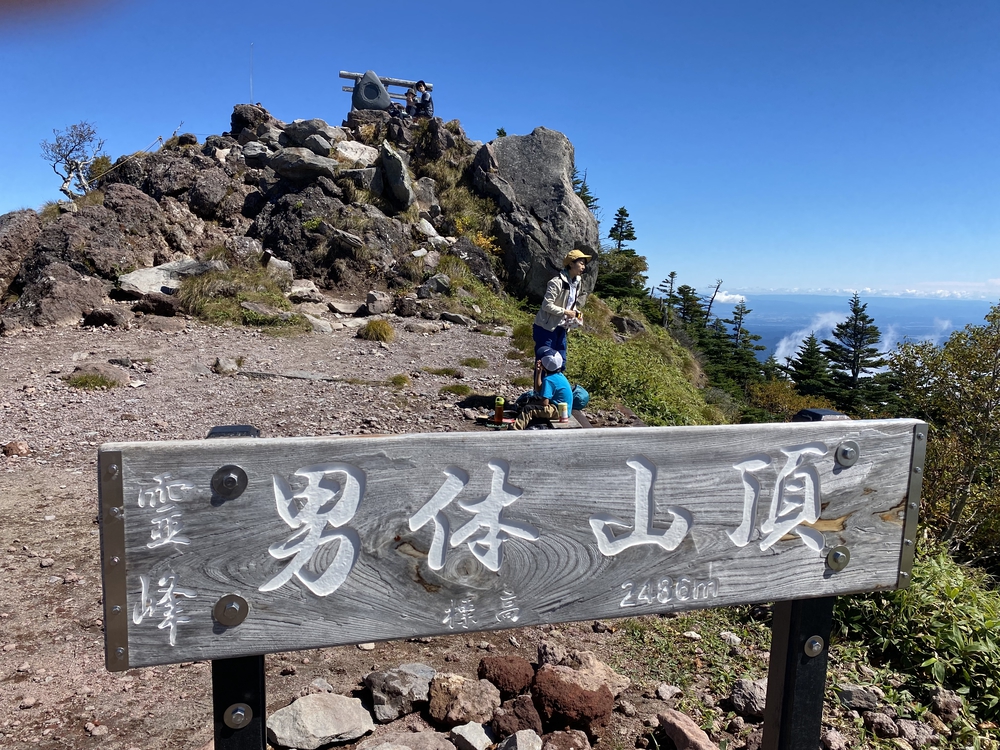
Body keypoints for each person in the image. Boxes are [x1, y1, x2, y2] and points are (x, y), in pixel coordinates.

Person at [532, 249, 591, 370]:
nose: (583, 266)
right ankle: (540, 389)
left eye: (584, 264)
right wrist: (565, 312)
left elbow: (570, 304)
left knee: (561, 363)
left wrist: (575, 312)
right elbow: (546, 305)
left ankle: (555, 389)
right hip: (546, 328)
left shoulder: (577, 283)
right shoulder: (556, 282)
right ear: (571, 264)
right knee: (545, 363)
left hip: (562, 327)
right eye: (581, 263)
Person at [513, 347, 572, 429]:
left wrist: (531, 404)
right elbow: (538, 390)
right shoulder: (558, 376)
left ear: (545, 365)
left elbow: (545, 403)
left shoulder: (549, 380)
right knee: (532, 400)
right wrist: (539, 372)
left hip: (558, 410)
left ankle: (515, 429)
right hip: (563, 409)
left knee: (528, 409)